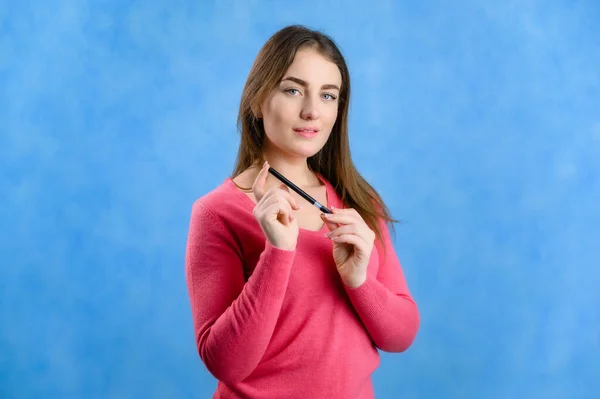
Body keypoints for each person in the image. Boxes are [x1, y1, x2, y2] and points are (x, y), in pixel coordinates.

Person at [184, 24, 420, 399]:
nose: (311, 111)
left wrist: (359, 281)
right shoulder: (217, 213)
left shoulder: (358, 201)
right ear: (257, 100)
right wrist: (277, 253)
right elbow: (225, 362)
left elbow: (401, 335)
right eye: (293, 90)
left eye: (328, 96)